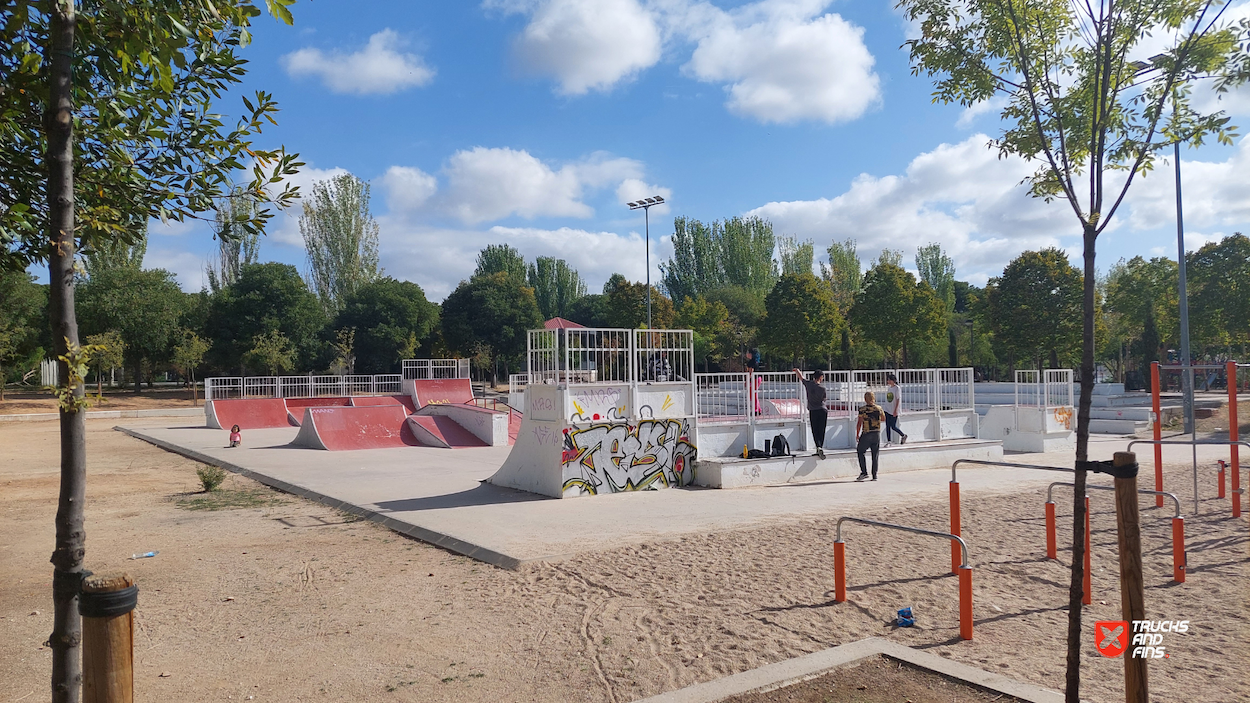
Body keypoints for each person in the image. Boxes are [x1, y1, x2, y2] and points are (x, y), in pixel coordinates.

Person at [793, 368, 828, 459]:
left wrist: (797, 371)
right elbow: (823, 399)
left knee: (815, 430)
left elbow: (801, 378)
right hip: (822, 410)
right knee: (821, 430)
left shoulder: (808, 384)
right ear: (820, 377)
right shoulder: (822, 388)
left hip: (813, 410)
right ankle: (820, 446)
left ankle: (818, 446)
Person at [855, 391, 883, 481]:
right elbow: (883, 418)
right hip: (876, 432)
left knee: (860, 451)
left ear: (865, 399)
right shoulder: (879, 408)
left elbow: (859, 422)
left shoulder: (862, 409)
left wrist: (857, 434)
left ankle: (864, 472)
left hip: (866, 432)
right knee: (875, 455)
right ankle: (874, 475)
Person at [882, 374, 908, 445]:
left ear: (893, 380)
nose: (888, 381)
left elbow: (898, 399)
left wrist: (896, 410)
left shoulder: (897, 388)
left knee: (893, 426)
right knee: (887, 426)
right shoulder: (889, 388)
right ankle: (889, 441)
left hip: (893, 410)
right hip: (887, 409)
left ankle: (903, 435)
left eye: (889, 380)